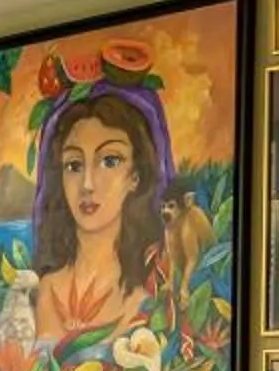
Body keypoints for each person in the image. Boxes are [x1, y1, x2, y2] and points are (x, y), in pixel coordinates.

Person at [29, 82, 172, 345]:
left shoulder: (149, 294)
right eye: (73, 165)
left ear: (136, 177)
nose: (87, 184)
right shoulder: (44, 289)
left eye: (110, 161)